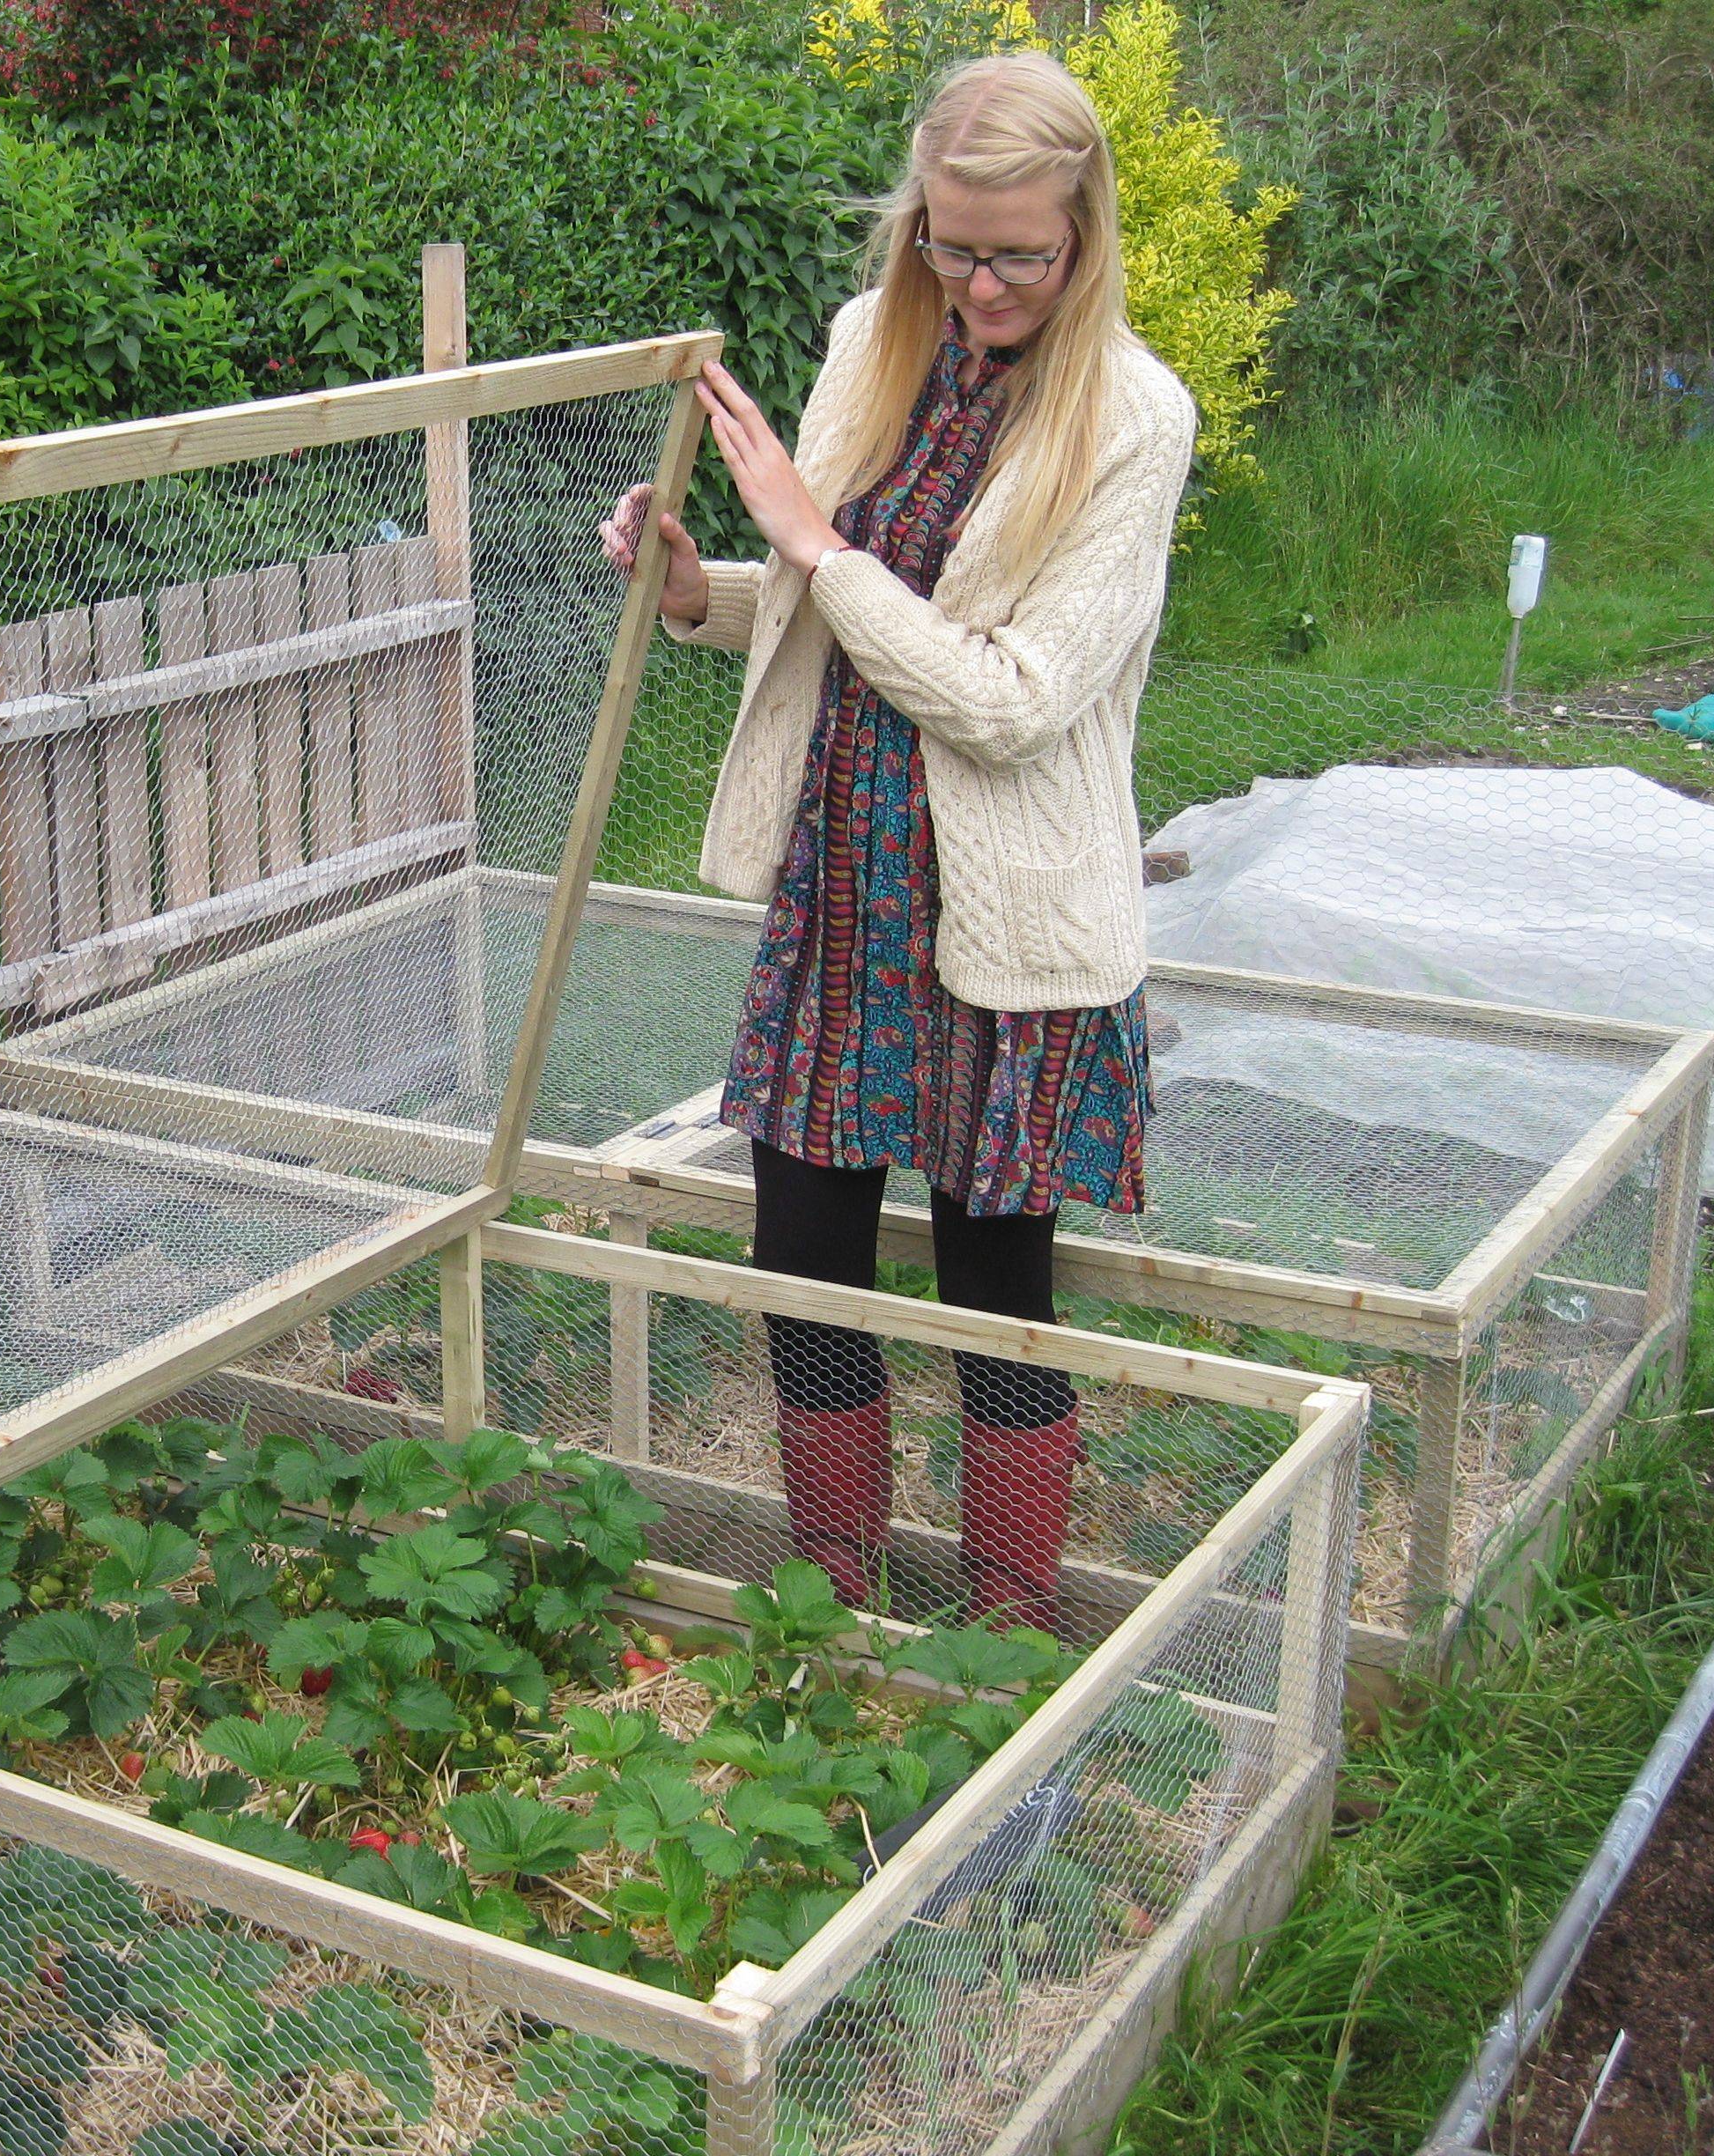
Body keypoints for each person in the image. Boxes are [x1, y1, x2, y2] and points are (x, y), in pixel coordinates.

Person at [602, 50, 1197, 1632]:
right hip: (845, 891)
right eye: (950, 239)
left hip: (1005, 918)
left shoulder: (1134, 416)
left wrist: (806, 533)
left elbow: (1009, 701)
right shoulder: (877, 338)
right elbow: (833, 613)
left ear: (1086, 235)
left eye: (1018, 251)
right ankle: (829, 1603)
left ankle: (1009, 1625)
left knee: (996, 1293)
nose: (979, 280)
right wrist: (700, 591)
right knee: (806, 1263)